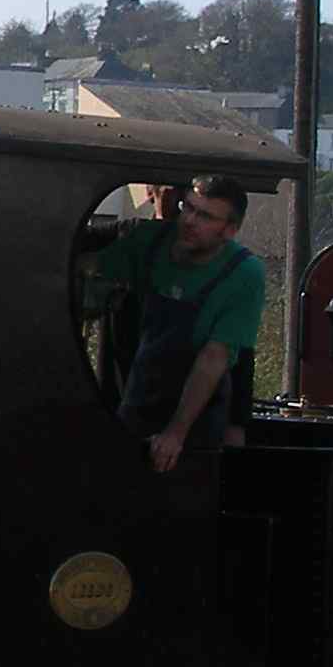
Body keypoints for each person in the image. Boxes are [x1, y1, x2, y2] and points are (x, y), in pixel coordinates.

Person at [89, 173, 265, 473]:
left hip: (199, 410)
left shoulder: (244, 274)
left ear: (230, 230)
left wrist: (175, 433)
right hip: (141, 391)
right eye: (189, 208)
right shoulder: (150, 240)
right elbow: (90, 270)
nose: (190, 221)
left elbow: (214, 357)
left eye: (206, 216)